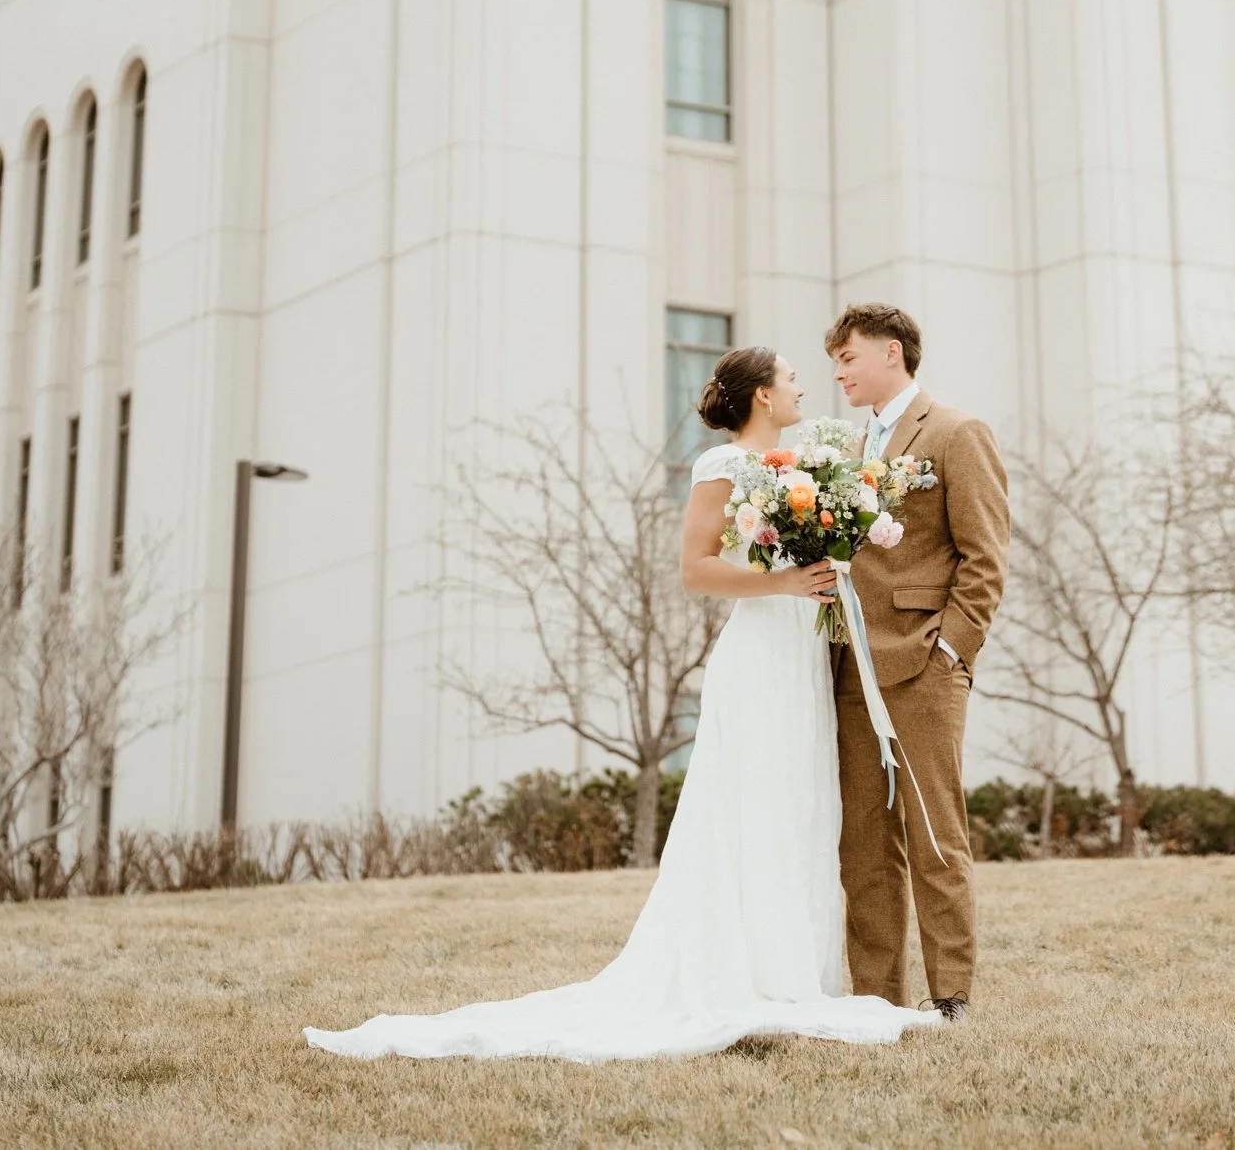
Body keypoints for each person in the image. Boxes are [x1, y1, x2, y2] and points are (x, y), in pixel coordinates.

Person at [304, 344, 939, 1063]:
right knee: (753, 802)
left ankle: (794, 974)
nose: (802, 387)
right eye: (791, 378)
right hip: (760, 650)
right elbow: (696, 570)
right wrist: (784, 586)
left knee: (800, 804)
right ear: (762, 395)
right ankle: (746, 974)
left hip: (803, 654)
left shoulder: (805, 466)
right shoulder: (722, 467)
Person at [827, 301, 1009, 1022]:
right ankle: (876, 1001)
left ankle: (951, 997)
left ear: (892, 352)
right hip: (846, 668)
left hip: (923, 664)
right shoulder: (841, 448)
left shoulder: (957, 433)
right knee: (863, 848)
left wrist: (951, 650)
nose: (837, 370)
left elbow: (985, 557)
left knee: (935, 836)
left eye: (848, 356)